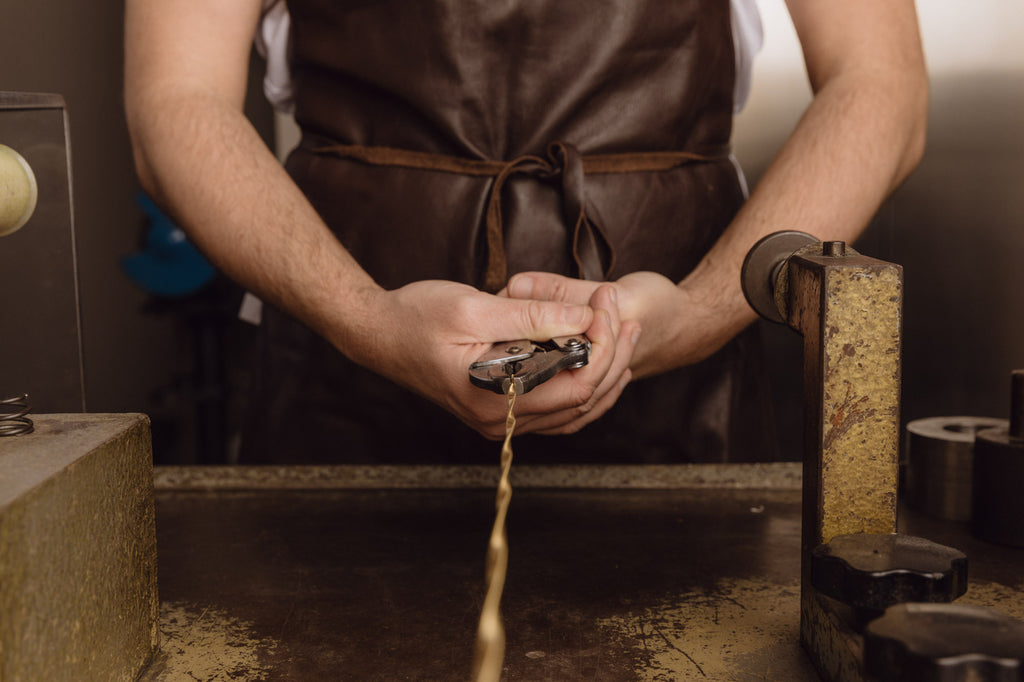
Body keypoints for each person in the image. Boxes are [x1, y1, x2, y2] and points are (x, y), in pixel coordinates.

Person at [124, 0, 927, 464]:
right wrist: (363, 317)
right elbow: (176, 98)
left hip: (684, 393)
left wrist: (698, 314)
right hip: (340, 382)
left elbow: (880, 86)